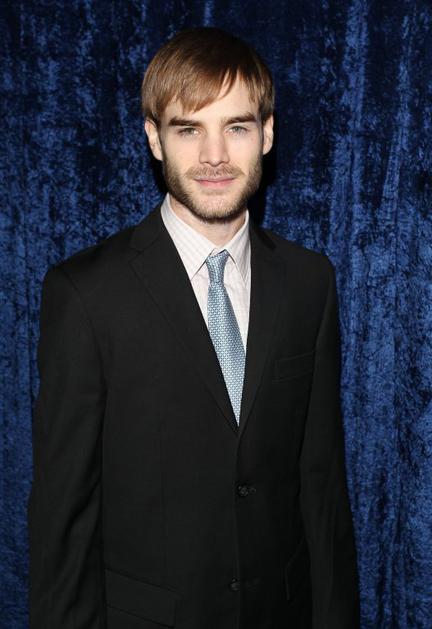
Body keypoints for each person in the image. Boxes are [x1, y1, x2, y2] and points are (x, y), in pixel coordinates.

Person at [28, 26, 360, 629]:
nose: (214, 155)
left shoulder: (310, 283)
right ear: (155, 138)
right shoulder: (85, 293)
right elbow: (64, 519)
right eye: (189, 129)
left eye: (236, 127)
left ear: (267, 134)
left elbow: (323, 490)